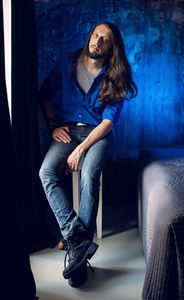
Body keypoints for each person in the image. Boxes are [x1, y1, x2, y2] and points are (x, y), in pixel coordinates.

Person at [39, 22, 137, 287]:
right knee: (45, 171)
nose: (98, 41)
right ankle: (77, 240)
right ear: (90, 36)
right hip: (68, 130)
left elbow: (108, 122)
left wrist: (82, 149)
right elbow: (44, 95)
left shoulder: (115, 74)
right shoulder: (67, 63)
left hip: (99, 135)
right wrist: (52, 126)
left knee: (89, 175)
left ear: (111, 47)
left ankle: (76, 258)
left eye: (105, 39)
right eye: (96, 35)